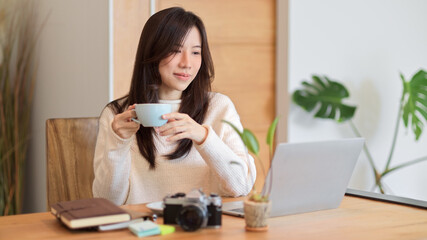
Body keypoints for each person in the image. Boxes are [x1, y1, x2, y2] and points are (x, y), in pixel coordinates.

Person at [92, 7, 256, 205]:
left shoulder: (219, 107)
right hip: (143, 231)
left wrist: (203, 136)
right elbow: (106, 201)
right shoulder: (117, 115)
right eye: (175, 51)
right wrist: (117, 142)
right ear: (153, 52)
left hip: (202, 231)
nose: (187, 63)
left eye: (196, 52)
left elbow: (241, 186)